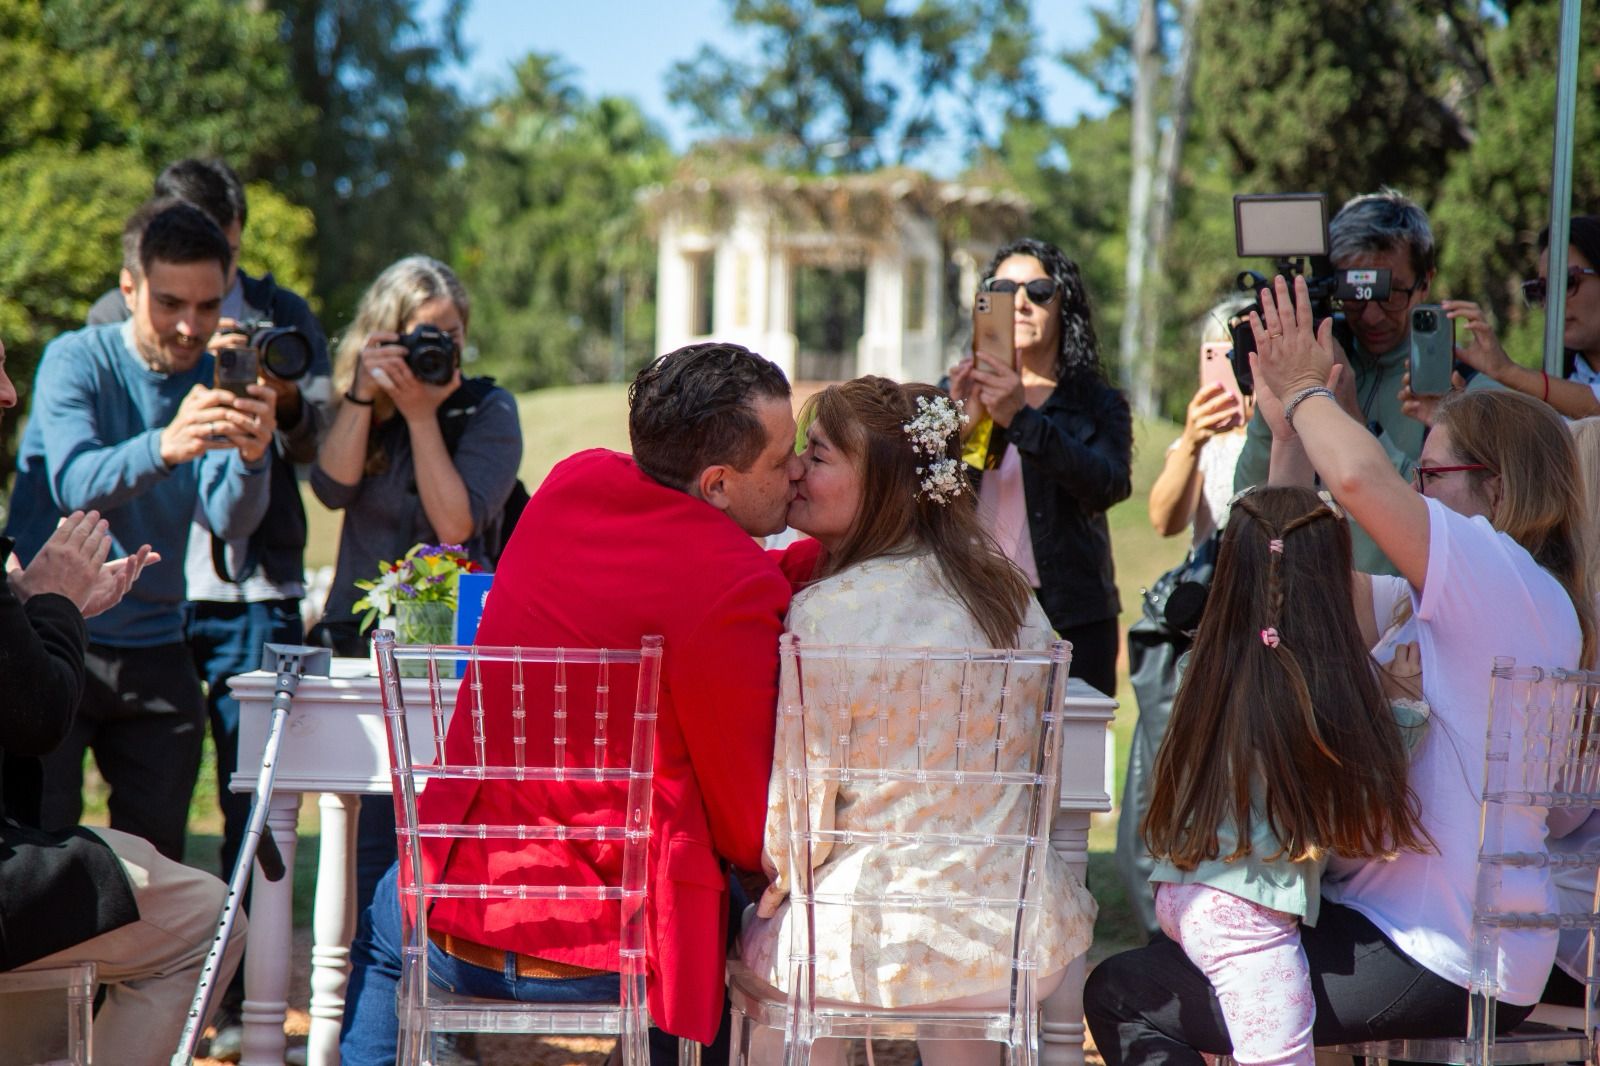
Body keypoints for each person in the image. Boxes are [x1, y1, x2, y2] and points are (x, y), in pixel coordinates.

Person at [1085, 274, 1596, 1063]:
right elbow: (1278, 574)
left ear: (1499, 484)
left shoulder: (1503, 579)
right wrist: (1288, 432)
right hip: (1420, 929)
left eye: (1430, 477)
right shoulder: (1482, 598)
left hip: (1440, 943)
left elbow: (1358, 482)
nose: (1416, 493)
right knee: (1140, 983)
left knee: (1131, 997)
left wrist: (1301, 391)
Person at [339, 342, 815, 1066]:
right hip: (612, 945)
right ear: (718, 484)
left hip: (457, 919)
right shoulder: (731, 586)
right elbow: (745, 822)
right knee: (717, 901)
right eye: (783, 460)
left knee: (382, 929)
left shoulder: (571, 485)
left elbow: (665, 572)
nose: (798, 472)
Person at [736, 377, 1096, 1066]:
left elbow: (798, 828)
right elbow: (1040, 791)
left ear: (885, 485)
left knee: (780, 937)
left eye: (818, 455)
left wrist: (776, 882)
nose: (796, 471)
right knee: (952, 976)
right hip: (1013, 936)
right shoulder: (1012, 599)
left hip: (869, 936)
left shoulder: (825, 614)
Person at [83, 161, 330, 1054]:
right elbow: (85, 464)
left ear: (237, 244)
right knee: (116, 817)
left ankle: (221, 1010)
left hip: (242, 584)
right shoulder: (109, 333)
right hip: (128, 598)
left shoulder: (278, 313)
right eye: (172, 300)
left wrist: (269, 417)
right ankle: (104, 1004)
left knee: (244, 804)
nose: (192, 321)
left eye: (216, 273)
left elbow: (297, 460)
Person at [4, 198, 278, 862]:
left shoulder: (211, 379)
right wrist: (169, 444)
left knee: (155, 870)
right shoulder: (76, 359)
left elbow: (229, 519)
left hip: (158, 644)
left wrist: (251, 455)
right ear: (129, 289)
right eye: (170, 303)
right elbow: (75, 482)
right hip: (50, 635)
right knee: (38, 853)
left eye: (208, 307)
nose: (190, 327)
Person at [0, 332, 246, 1066]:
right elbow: (34, 715)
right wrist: (52, 608)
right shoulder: (82, 362)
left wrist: (33, 600)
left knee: (136, 853)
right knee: (211, 919)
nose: (10, 394)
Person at [1142, 485, 1432, 1066]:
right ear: (1331, 575)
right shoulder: (1320, 685)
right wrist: (1404, 710)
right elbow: (1363, 806)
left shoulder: (1206, 661)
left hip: (1182, 888)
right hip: (1248, 912)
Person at [309, 254, 522, 916]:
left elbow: (456, 525)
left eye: (451, 335)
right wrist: (367, 394)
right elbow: (330, 486)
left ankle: (437, 998)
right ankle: (382, 998)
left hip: (453, 654)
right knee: (374, 833)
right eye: (422, 335)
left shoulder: (487, 410)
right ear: (384, 335)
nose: (440, 348)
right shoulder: (365, 407)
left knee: (443, 836)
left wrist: (425, 414)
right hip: (363, 645)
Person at [1118, 303, 1255, 935]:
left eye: (1236, 354)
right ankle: (1164, 923)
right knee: (1166, 779)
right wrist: (1196, 440)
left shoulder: (1284, 430)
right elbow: (1165, 519)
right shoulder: (1203, 434)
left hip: (1258, 630)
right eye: (1214, 356)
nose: (1226, 369)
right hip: (1194, 629)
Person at [949, 237, 1132, 695]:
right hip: (974, 603)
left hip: (1071, 615)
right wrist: (960, 428)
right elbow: (931, 502)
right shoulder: (955, 392)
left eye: (1039, 291)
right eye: (1005, 290)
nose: (1022, 304)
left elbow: (1107, 486)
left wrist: (1022, 419)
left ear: (1062, 304)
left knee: (1074, 752)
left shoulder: (1095, 402)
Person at [1233, 187, 1436, 574]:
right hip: (1310, 612)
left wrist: (1351, 420)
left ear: (1425, 282)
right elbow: (1246, 503)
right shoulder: (1308, 364)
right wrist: (1281, 406)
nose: (1372, 315)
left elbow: (1441, 521)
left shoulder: (1459, 383)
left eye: (1389, 293)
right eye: (1354, 294)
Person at [1441, 214, 1600, 419]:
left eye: (1567, 282)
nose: (1552, 302)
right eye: (1541, 290)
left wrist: (1507, 371)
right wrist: (1450, 418)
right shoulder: (1561, 383)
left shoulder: (1548, 389)